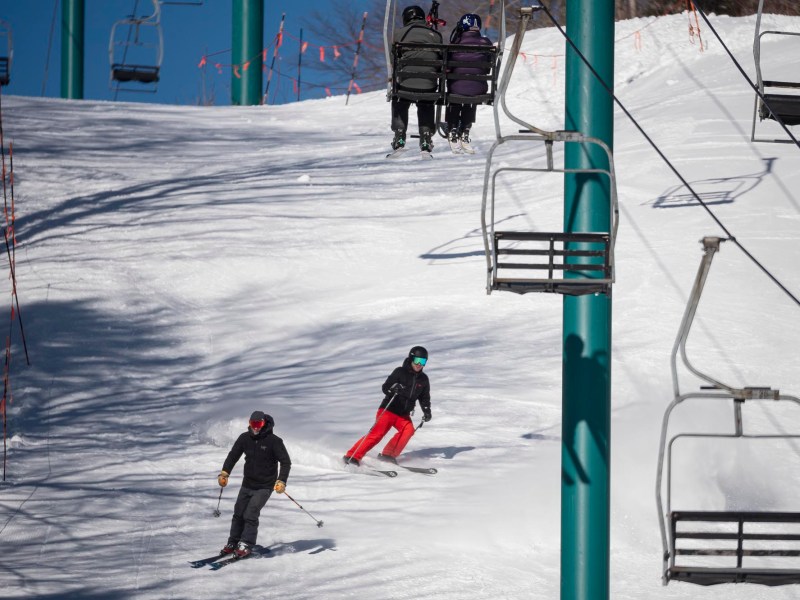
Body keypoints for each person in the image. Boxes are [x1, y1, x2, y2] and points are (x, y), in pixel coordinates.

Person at [217, 410, 291, 558]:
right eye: (253, 424)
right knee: (238, 512)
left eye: (259, 424)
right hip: (248, 483)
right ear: (249, 424)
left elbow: (285, 462)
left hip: (265, 485)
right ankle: (233, 542)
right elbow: (233, 455)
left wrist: (281, 480)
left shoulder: (274, 441)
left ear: (264, 424)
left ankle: (246, 544)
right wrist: (225, 472)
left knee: (251, 513)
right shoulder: (244, 438)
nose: (256, 427)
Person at [343, 346, 431, 466]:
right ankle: (352, 456)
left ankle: (388, 455)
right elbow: (386, 387)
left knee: (408, 430)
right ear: (411, 358)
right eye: (417, 360)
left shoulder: (424, 379)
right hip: (388, 410)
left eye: (423, 362)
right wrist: (393, 388)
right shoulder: (400, 372)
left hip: (403, 414)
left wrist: (427, 411)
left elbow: (424, 398)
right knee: (377, 434)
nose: (419, 364)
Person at [391, 6, 443, 154]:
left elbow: (393, 57)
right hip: (429, 84)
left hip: (405, 84)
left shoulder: (399, 34)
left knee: (399, 96)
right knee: (426, 96)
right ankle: (426, 137)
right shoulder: (435, 35)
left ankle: (399, 134)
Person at [445, 13, 493, 153]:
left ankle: (453, 128)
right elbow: (488, 67)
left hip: (456, 88)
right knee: (472, 90)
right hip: (478, 88)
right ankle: (465, 129)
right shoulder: (486, 43)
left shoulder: (455, 43)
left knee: (458, 90)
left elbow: (447, 68)